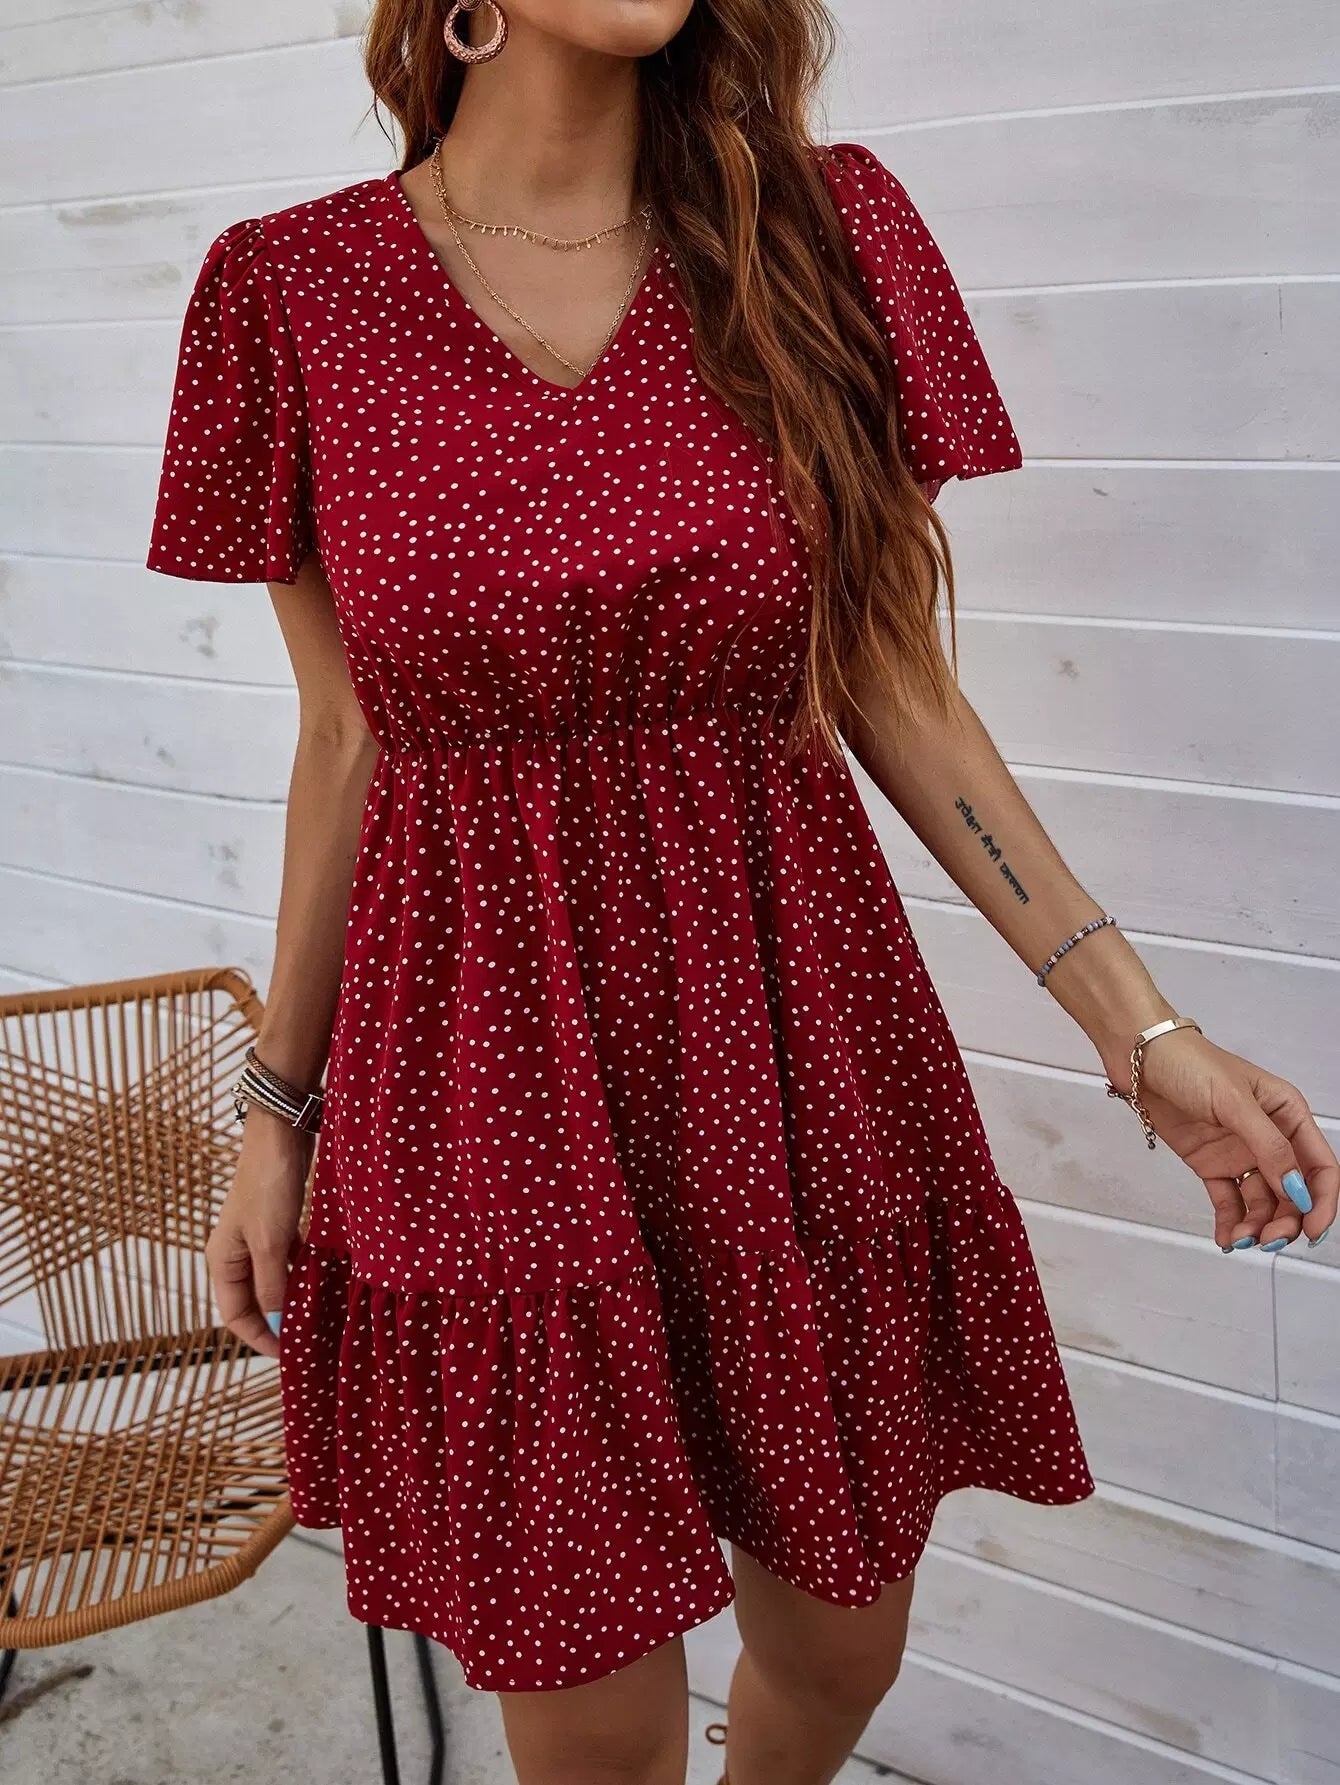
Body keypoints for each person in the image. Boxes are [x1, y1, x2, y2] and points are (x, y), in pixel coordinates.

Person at [144, 4, 1337, 1783]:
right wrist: (277, 1111)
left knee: (843, 1637)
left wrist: (1141, 1028)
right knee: (590, 1717)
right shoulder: (288, 288)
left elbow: (890, 673)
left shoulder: (818, 235)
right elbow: (344, 737)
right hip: (484, 1058)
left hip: (786, 1032)